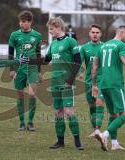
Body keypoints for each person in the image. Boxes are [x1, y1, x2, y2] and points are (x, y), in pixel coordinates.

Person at [22, 17, 83, 149]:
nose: (50, 31)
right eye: (49, 29)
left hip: (67, 82)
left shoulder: (71, 41)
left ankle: (77, 141)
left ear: (58, 27)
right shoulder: (54, 44)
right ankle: (60, 141)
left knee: (69, 111)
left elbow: (78, 61)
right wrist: (29, 60)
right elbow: (45, 60)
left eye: (51, 29)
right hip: (55, 83)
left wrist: (71, 79)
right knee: (58, 112)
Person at [8, 10, 42, 131]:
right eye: (20, 21)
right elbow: (10, 54)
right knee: (20, 95)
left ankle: (31, 122)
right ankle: (22, 123)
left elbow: (38, 54)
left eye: (24, 22)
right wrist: (11, 69)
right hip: (19, 68)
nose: (21, 24)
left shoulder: (37, 36)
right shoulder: (14, 35)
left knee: (32, 94)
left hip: (33, 68)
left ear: (30, 22)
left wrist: (39, 71)